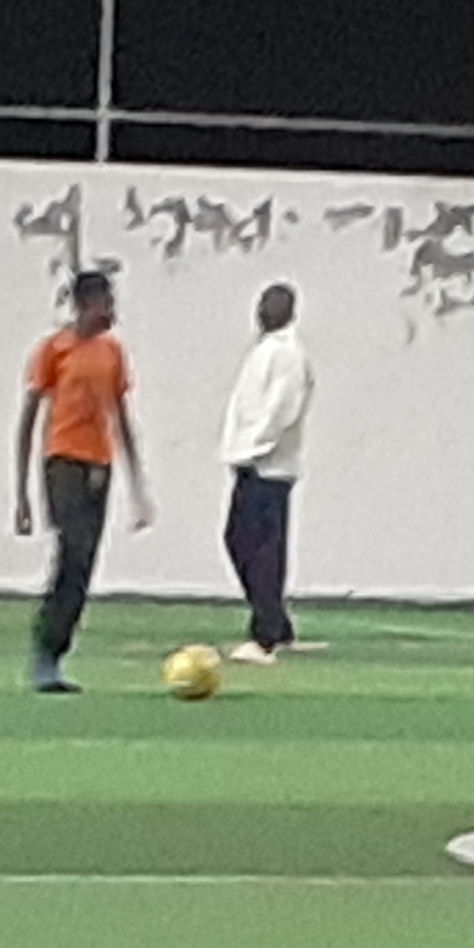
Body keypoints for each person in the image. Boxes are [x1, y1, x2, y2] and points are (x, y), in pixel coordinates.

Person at [13, 268, 149, 693]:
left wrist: (137, 484)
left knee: (85, 561)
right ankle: (45, 647)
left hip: (98, 467)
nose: (111, 312)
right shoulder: (54, 350)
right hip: (63, 462)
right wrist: (22, 494)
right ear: (83, 305)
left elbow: (121, 418)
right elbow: (29, 419)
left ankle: (57, 652)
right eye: (104, 303)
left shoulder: (113, 353)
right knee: (72, 550)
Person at [216, 283, 312, 663]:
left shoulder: (287, 354)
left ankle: (266, 634)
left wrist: (251, 448)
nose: (264, 311)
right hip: (253, 462)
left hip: (269, 466)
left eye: (274, 305)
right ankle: (277, 623)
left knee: (260, 548)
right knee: (241, 540)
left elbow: (280, 410)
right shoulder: (264, 350)